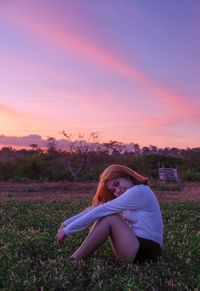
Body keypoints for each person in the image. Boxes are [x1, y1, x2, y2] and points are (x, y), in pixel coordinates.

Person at [55, 164, 163, 264]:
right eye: (113, 190)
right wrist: (66, 224)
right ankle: (75, 259)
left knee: (110, 217)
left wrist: (68, 231)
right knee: (106, 213)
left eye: (117, 184)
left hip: (149, 251)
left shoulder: (139, 191)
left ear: (126, 176)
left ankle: (74, 260)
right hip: (135, 246)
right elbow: (94, 208)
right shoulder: (128, 194)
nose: (117, 190)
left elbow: (101, 210)